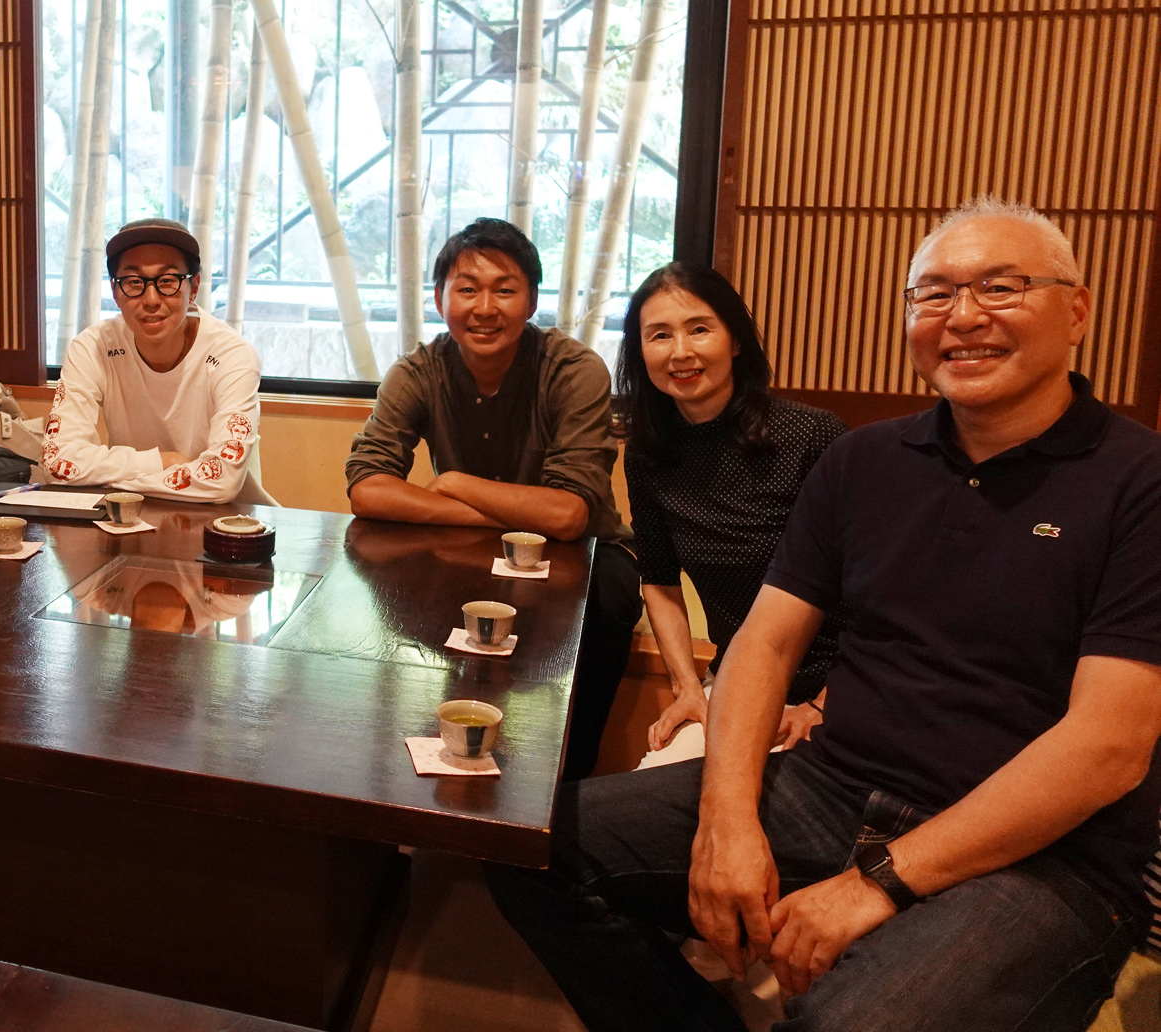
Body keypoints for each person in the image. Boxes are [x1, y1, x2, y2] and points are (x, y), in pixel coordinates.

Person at [487, 198, 1161, 1031]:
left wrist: (878, 883)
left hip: (1043, 858)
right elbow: (765, 643)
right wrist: (727, 821)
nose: (963, 317)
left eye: (1001, 287)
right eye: (934, 294)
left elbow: (1107, 748)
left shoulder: (1140, 481)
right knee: (529, 848)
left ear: (1078, 311)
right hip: (832, 785)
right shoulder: (866, 461)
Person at [346, 218, 636, 780]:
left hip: (585, 556)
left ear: (531, 302)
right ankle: (437, 763)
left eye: (504, 290)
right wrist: (483, 515)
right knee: (396, 600)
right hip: (471, 547)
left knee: (607, 604)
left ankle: (569, 784)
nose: (484, 307)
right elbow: (367, 486)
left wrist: (456, 482)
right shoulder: (419, 370)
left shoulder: (573, 370)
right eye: (467, 289)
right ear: (440, 299)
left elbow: (569, 513)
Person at [618, 263, 847, 767]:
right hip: (737, 682)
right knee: (650, 785)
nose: (681, 352)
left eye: (699, 329)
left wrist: (820, 705)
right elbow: (659, 580)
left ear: (736, 341)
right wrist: (686, 688)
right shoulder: (649, 453)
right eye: (660, 335)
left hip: (839, 692)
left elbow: (879, 588)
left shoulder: (813, 437)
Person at [42, 218, 272, 504]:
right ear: (115, 292)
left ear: (194, 287)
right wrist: (163, 461)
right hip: (130, 515)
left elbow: (221, 481)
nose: (151, 299)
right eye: (133, 282)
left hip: (223, 519)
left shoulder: (232, 356)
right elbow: (57, 462)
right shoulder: (94, 347)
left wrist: (105, 477)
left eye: (167, 281)